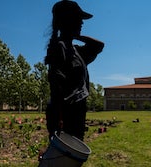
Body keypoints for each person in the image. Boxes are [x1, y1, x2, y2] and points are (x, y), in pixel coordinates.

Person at [45, 0, 104, 141]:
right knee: (63, 158)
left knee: (71, 157)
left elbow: (99, 46)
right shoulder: (59, 48)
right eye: (78, 19)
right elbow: (56, 84)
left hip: (76, 112)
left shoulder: (76, 50)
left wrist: (76, 36)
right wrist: (60, 119)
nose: (82, 23)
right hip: (66, 114)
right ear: (68, 21)